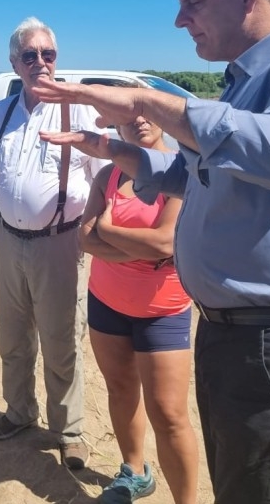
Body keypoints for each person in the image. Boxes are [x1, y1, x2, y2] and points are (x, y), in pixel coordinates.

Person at [35, 0, 270, 504]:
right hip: (235, 332)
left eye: (192, 3)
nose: (178, 21)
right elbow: (197, 175)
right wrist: (113, 150)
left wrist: (144, 102)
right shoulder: (241, 87)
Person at [0, 17, 106, 470]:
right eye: (29, 55)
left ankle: (69, 430)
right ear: (14, 63)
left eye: (47, 54)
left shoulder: (79, 112)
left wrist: (88, 235)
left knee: (60, 338)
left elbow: (101, 183)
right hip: (8, 240)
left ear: (57, 58)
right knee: (12, 335)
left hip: (59, 243)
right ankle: (18, 412)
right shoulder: (1, 113)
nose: (40, 62)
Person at [81, 110, 197, 503]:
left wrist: (110, 231)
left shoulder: (181, 172)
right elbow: (84, 239)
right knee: (120, 389)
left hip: (162, 310)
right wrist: (138, 252)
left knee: (169, 414)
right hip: (106, 302)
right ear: (117, 127)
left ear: (163, 119)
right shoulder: (108, 175)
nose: (140, 122)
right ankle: (134, 472)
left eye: (147, 114)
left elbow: (166, 243)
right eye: (129, 117)